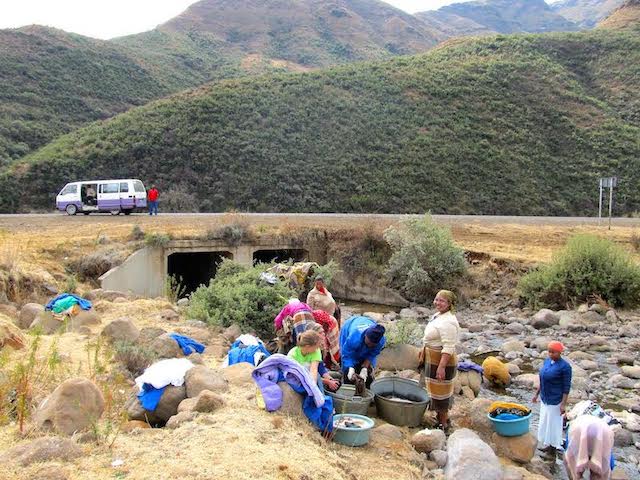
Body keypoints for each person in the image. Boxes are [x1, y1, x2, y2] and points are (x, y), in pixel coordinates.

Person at [419, 289, 460, 432]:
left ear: (449, 304)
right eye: (436, 299)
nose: (438, 303)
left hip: (442, 360)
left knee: (441, 393)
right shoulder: (438, 316)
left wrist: (441, 367)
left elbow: (449, 346)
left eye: (442, 301)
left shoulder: (449, 322)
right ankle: (440, 418)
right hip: (432, 357)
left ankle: (443, 424)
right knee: (433, 390)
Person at [533, 340, 572, 458]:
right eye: (549, 351)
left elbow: (566, 386)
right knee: (545, 422)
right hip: (545, 397)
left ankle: (553, 450)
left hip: (555, 399)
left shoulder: (565, 367)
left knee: (554, 424)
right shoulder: (547, 362)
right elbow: (542, 379)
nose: (550, 354)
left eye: (553, 352)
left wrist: (563, 404)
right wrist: (537, 394)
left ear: (559, 353)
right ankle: (548, 445)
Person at [339, 315, 386, 388]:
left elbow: (373, 354)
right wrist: (350, 367)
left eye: (373, 345)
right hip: (349, 326)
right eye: (369, 343)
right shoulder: (354, 337)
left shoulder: (381, 341)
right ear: (365, 336)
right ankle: (347, 384)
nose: (370, 346)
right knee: (347, 370)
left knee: (369, 373)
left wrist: (365, 367)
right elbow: (347, 354)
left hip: (367, 322)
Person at [564, 415, 615, 480]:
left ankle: (575, 477)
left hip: (578, 429)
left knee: (572, 463)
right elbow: (609, 463)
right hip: (604, 433)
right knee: (599, 469)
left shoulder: (574, 425)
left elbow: (569, 455)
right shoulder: (606, 431)